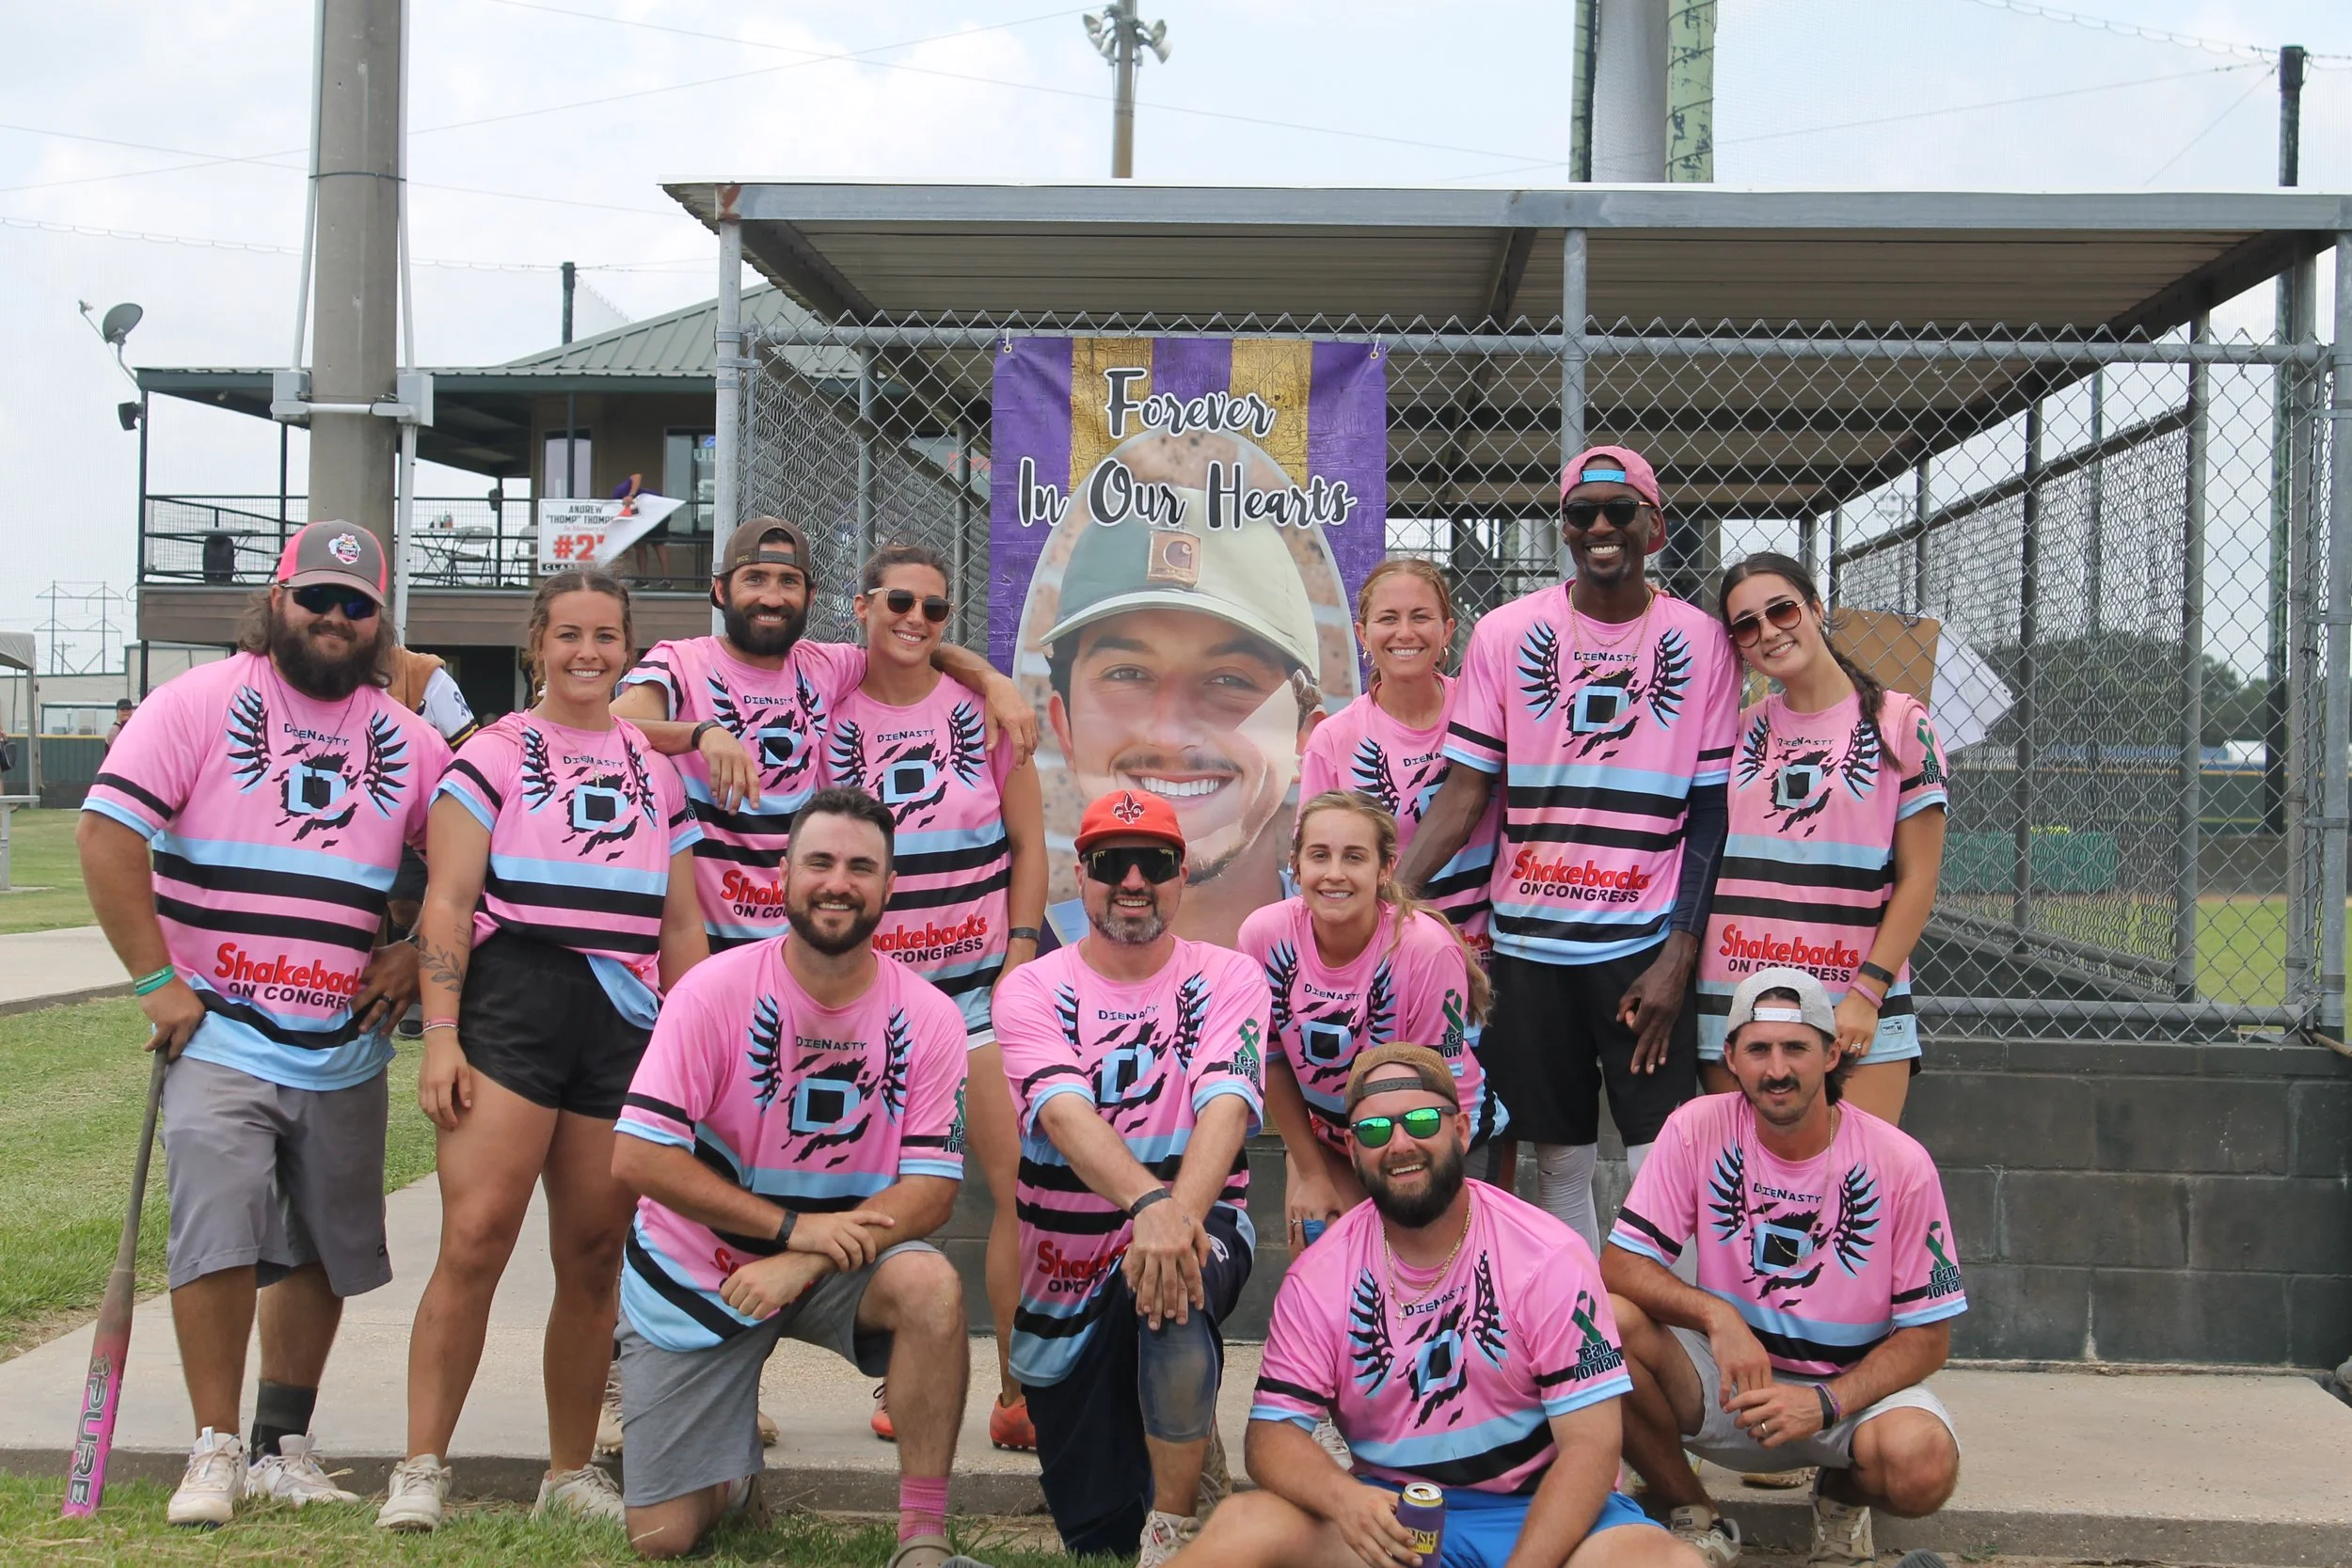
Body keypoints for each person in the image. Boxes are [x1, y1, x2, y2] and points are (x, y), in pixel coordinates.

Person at [77, 522, 450, 1525]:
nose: (334, 617)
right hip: (220, 1030)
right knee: (219, 1229)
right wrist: (158, 980)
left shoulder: (410, 740)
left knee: (322, 1245)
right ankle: (215, 1445)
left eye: (355, 604)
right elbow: (107, 830)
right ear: (276, 599)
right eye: (315, 596)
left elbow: (468, 864)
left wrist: (416, 951)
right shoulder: (198, 701)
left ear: (379, 622)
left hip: (342, 1040)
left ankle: (284, 1441)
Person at [376, 570, 708, 1531]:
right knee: (476, 1234)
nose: (588, 652)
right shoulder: (494, 752)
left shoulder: (657, 767)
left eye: (607, 635)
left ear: (628, 648)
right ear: (538, 643)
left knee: (596, 1252)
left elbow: (682, 924)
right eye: (569, 633)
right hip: (514, 1000)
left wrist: (686, 1055)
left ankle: (567, 1470)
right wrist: (438, 1035)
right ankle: (423, 1463)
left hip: (623, 1019)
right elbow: (445, 901)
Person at [608, 788, 986, 1568]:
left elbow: (933, 1190)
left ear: (888, 887)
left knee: (933, 1286)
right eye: (819, 861)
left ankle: (923, 1539)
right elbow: (637, 1157)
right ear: (784, 874)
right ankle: (734, 1476)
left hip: (836, 1257)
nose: (837, 882)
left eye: (860, 866)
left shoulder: (931, 1017)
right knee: (661, 1538)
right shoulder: (712, 991)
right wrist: (788, 1228)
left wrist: (806, 1253)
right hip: (697, 1267)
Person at [1398, 446, 1739, 1258]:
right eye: (1581, 514)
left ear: (1653, 527)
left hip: (1644, 948)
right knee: (1561, 1166)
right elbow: (1467, 789)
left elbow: (1712, 813)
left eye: (1618, 513)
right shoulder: (1510, 634)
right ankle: (1578, 1354)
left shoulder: (1703, 643)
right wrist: (1392, 891)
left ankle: (1689, 1381)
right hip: (1529, 948)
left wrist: (1678, 956)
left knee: (1666, 1166)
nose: (1599, 528)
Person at [1175, 1043, 1692, 1568]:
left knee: (1665, 1562)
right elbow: (1272, 1436)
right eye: (1375, 1132)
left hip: (1539, 1511)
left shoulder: (1548, 1255)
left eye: (1422, 1120)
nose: (1400, 1144)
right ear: (1353, 1151)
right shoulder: (1317, 1276)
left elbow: (1591, 1449)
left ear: (1461, 1131)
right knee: (1245, 1528)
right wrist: (1346, 1500)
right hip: (1393, 1517)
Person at [1604, 968, 1967, 1568]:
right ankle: (1696, 1515)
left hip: (1845, 1396)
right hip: (1729, 1388)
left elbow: (1929, 1339)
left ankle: (1841, 1498)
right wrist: (1717, 1317)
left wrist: (1826, 1402)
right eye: (1759, 1049)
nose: (1777, 1070)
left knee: (1923, 1464)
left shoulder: (1900, 1162)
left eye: (1796, 1047)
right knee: (1604, 1325)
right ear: (1731, 1057)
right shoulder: (1697, 1127)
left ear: (1831, 1054)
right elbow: (1618, 1265)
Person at [991, 787, 1270, 1564]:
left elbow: (1226, 1103)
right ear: (1080, 876)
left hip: (1197, 1229)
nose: (1136, 879)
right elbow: (1063, 1114)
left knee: (1167, 1289)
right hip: (1065, 1287)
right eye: (1114, 862)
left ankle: (1173, 1535)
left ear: (1183, 876)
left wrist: (1174, 1218)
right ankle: (1173, 1470)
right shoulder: (1032, 988)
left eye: (1157, 861)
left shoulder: (1230, 977)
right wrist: (1149, 1203)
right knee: (1097, 1538)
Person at [826, 543, 1048, 1452]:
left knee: (1019, 1189)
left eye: (936, 609)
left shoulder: (991, 717)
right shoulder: (826, 712)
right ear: (863, 606)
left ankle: (1015, 1389)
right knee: (878, 1197)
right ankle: (900, 1373)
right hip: (873, 998)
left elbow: (1031, 848)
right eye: (899, 603)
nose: (916, 621)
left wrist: (1020, 955)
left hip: (979, 989)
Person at [612, 515, 1036, 950]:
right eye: (754, 579)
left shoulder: (827, 667)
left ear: (810, 596)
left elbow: (913, 643)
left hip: (802, 950)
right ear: (721, 590)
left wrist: (993, 682)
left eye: (789, 582)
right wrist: (703, 734)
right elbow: (608, 730)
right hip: (702, 941)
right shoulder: (681, 663)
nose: (772, 597)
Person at [1702, 554, 1949, 1125]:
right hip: (1736, 1002)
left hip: (1852, 1003)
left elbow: (1920, 877)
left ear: (1814, 609)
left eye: (1781, 610)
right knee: (1747, 1194)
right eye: (1747, 625)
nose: (1768, 631)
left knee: (1856, 1195)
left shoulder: (1902, 724)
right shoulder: (1736, 731)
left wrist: (1869, 993)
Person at [1039, 499, 1327, 949]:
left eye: (1231, 679)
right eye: (1127, 674)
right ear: (1066, 727)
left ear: (1303, 736)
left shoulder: (1351, 953)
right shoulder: (1029, 957)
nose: (1171, 736)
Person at [1240, 790, 1500, 1242]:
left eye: (1355, 857)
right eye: (1319, 855)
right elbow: (1273, 1061)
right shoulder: (1264, 935)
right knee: (1319, 1256)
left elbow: (1430, 1093)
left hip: (1431, 1132)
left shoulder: (1426, 951)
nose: (1335, 873)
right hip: (1331, 1136)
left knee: (1416, 1278)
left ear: (1385, 869)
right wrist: (1312, 1173)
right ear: (1296, 865)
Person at [1300, 557, 1500, 955]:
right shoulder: (1333, 739)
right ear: (1362, 634)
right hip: (1387, 954)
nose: (1405, 633)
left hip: (1489, 953)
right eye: (1388, 619)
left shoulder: (1484, 708)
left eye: (1420, 617)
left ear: (1447, 630)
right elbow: (1313, 863)